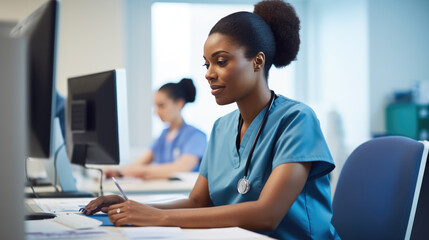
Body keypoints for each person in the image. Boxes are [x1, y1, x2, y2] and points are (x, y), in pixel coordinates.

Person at [82, 1, 339, 239]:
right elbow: (197, 202)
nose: (208, 74)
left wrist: (160, 217)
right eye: (207, 64)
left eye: (221, 61)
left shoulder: (297, 120)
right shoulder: (221, 128)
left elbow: (267, 215)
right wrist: (133, 206)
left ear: (257, 61)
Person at [104, 78, 207, 180]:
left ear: (179, 103)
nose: (156, 112)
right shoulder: (163, 135)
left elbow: (182, 168)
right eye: (155, 106)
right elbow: (140, 162)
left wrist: (137, 171)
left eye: (162, 105)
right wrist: (118, 172)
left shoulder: (196, 136)